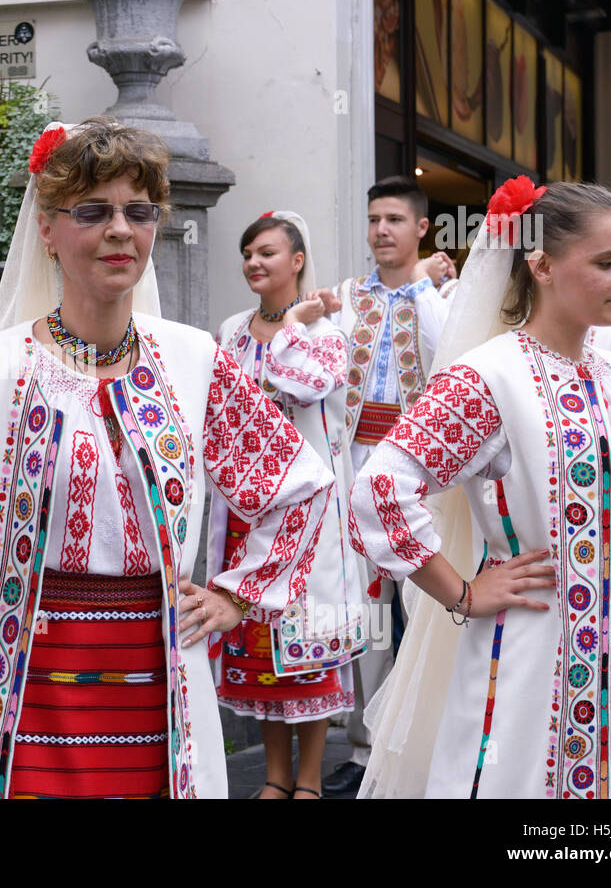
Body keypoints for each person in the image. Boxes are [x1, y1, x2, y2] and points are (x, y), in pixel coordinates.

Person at [0, 118, 336, 798]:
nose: (121, 230)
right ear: (49, 232)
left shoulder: (193, 361)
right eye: (93, 211)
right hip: (21, 689)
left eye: (138, 212)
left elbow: (300, 483)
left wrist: (239, 593)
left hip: (158, 682)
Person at [350, 177, 611, 798]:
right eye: (607, 263)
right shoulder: (490, 376)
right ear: (541, 264)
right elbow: (380, 490)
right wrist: (462, 594)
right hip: (547, 630)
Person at [209, 211, 369, 799]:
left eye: (268, 252)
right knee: (259, 652)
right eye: (248, 253)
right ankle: (275, 777)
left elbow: (304, 386)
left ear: (297, 261)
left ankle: (307, 782)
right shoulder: (231, 329)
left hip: (306, 515)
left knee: (307, 648)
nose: (254, 262)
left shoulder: (326, 330)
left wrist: (295, 324)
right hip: (246, 511)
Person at [316, 174, 455, 796]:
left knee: (422, 605)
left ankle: (424, 747)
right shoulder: (345, 296)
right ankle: (365, 749)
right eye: (374, 219)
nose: (381, 231)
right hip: (353, 466)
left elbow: (445, 351)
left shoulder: (443, 296)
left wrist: (426, 282)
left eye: (395, 219)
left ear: (422, 228)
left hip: (418, 477)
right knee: (363, 608)